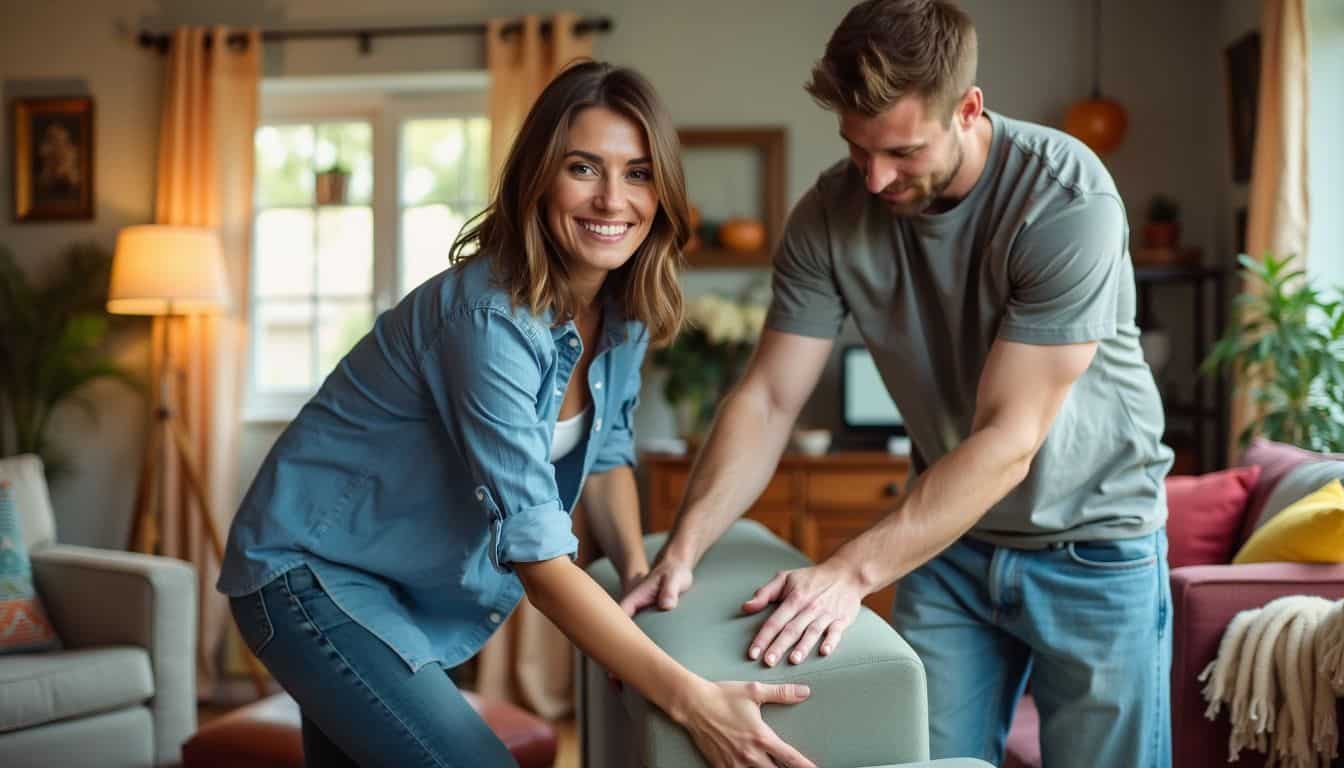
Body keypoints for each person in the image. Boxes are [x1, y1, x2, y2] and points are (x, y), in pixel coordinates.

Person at [621, 3, 1174, 767]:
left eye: (903, 152)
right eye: (857, 148)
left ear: (968, 109)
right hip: (947, 549)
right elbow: (770, 398)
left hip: (1094, 546)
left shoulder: (1064, 199)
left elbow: (1009, 438)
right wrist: (686, 546)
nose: (876, 178)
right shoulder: (828, 213)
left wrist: (848, 572)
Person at [219, 61, 816, 768]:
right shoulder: (488, 319)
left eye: (638, 173)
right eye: (583, 168)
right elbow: (537, 555)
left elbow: (610, 456)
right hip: (307, 575)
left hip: (399, 585)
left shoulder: (621, 312)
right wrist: (692, 700)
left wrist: (635, 578)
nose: (612, 199)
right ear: (539, 177)